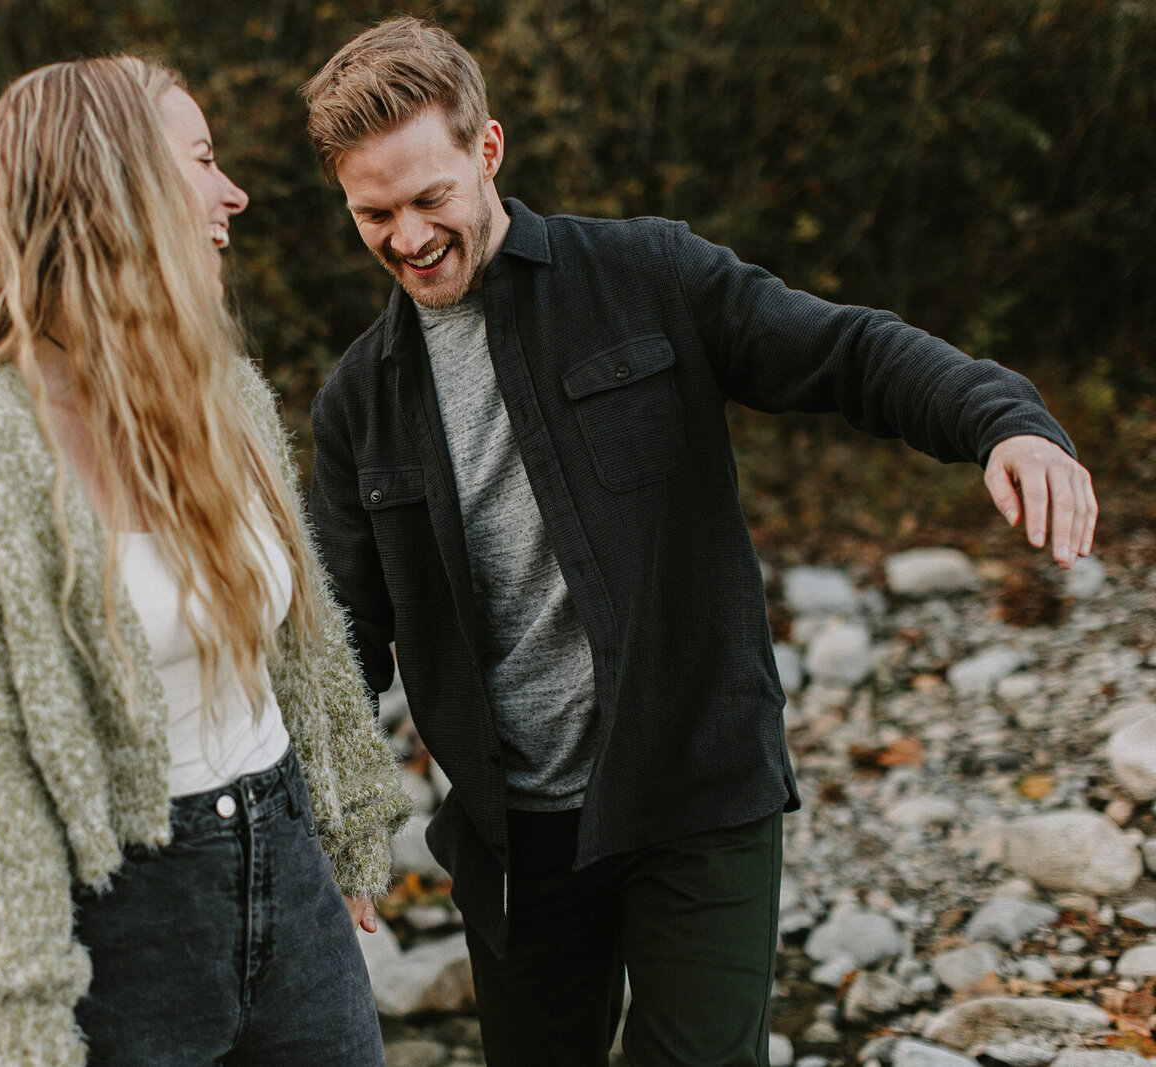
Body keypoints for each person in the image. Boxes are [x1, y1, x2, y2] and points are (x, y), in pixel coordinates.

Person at [300, 17, 1097, 1067]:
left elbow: (846, 350)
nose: (407, 236)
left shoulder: (644, 274)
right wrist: (329, 822)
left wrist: (1005, 418)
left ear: (486, 150)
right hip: (516, 842)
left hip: (694, 793)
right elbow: (344, 639)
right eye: (375, 213)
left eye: (429, 198)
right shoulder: (358, 402)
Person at [0, 57, 411, 1067]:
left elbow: (304, 642)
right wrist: (25, 1005)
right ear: (111, 187)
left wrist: (345, 831)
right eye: (202, 159)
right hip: (123, 914)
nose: (232, 192)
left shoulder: (229, 396)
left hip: (288, 872)